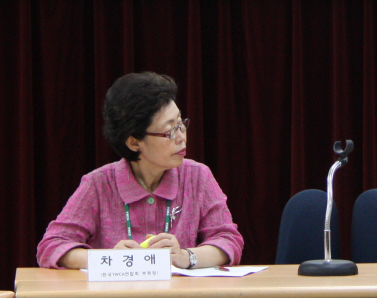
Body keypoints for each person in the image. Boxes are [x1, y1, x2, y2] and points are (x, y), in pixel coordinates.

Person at [37, 72, 244, 269]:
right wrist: (108, 258)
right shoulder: (99, 183)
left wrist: (186, 256)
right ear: (134, 142)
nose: (181, 137)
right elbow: (52, 246)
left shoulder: (198, 176)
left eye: (181, 123)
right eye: (170, 131)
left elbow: (228, 240)